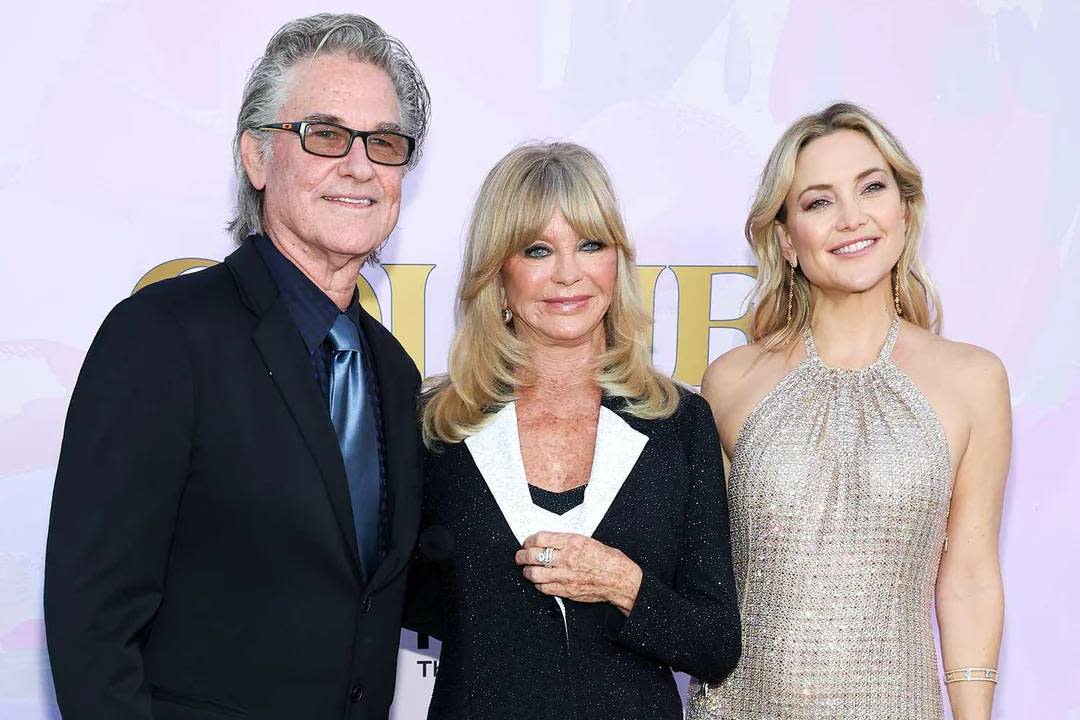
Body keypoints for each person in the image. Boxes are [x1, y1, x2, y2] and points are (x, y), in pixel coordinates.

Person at [44, 13, 430, 719]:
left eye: (384, 142)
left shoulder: (394, 373)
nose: (359, 165)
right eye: (325, 134)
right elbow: (92, 624)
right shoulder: (161, 338)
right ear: (256, 158)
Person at [687, 102, 1010, 719]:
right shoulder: (729, 384)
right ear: (785, 238)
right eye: (818, 201)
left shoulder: (973, 380)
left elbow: (969, 578)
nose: (852, 218)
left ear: (904, 211)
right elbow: (711, 587)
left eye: (871, 188)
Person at [407, 142, 741, 720]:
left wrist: (624, 585)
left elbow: (715, 645)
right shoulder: (439, 427)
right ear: (499, 275)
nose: (568, 274)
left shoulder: (677, 424)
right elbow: (398, 601)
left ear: (617, 261)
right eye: (538, 249)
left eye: (590, 244)